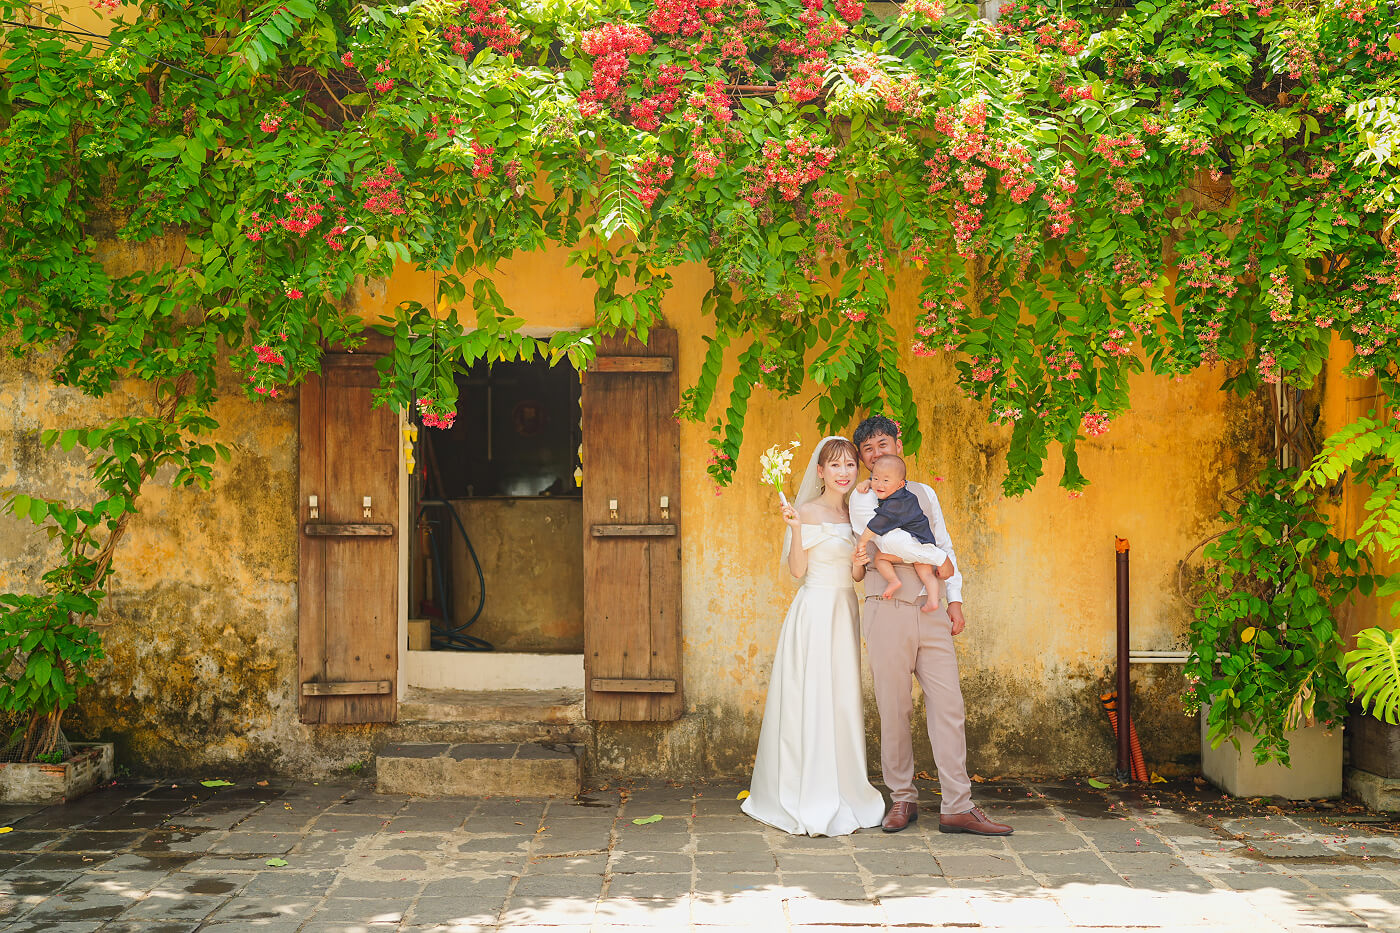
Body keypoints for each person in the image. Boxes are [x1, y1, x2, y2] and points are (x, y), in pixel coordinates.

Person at [851, 416, 1012, 836]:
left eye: (883, 444)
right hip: (887, 609)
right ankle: (902, 798)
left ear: (898, 445)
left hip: (932, 607)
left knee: (949, 706)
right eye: (868, 449)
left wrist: (954, 600)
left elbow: (944, 543)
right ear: (863, 459)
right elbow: (886, 541)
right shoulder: (861, 497)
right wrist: (934, 559)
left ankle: (958, 806)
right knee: (894, 708)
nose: (876, 454)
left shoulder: (925, 493)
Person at [741, 436, 886, 836]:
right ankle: (805, 790)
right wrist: (795, 529)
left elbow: (857, 575)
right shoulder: (803, 511)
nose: (844, 472)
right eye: (835, 465)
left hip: (844, 609)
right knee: (812, 695)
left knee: (841, 697)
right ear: (820, 472)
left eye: (850, 465)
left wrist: (859, 561)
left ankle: (845, 786)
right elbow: (797, 571)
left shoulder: (857, 514)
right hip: (814, 610)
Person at [851, 453, 954, 612]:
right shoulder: (901, 494)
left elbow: (875, 525)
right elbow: (880, 482)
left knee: (880, 558)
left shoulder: (896, 504)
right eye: (875, 478)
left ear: (900, 485)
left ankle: (893, 580)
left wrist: (862, 542)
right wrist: (868, 482)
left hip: (917, 545)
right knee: (926, 574)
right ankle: (933, 600)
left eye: (886, 481)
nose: (879, 484)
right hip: (923, 541)